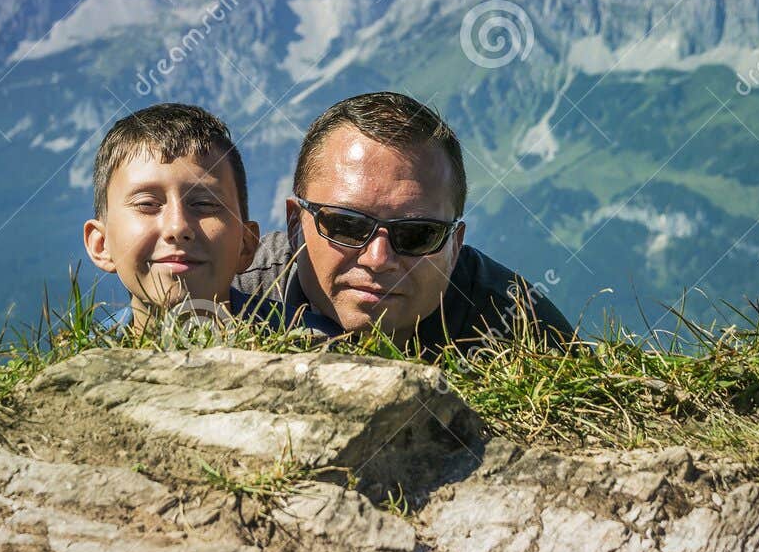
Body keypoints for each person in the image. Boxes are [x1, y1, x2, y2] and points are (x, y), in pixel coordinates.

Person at [234, 91, 579, 357]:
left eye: (417, 235)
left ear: (454, 245)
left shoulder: (520, 329)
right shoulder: (231, 294)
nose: (378, 258)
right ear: (296, 224)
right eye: (346, 225)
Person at [83, 103, 319, 335]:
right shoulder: (80, 363)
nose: (178, 227)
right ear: (101, 245)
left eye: (204, 205)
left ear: (246, 245)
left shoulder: (320, 348)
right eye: (147, 205)